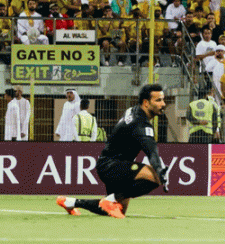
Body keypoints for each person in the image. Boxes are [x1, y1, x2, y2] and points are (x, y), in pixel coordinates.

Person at [56, 84, 169, 218]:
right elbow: (152, 152)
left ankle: (71, 202)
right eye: (158, 100)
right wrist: (160, 170)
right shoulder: (142, 125)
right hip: (112, 166)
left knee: (117, 210)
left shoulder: (133, 110)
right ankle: (110, 200)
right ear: (146, 103)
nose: (163, 104)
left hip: (110, 165)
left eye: (163, 99)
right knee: (155, 177)